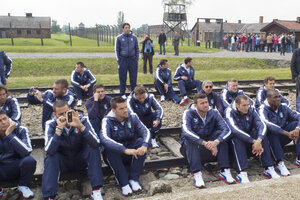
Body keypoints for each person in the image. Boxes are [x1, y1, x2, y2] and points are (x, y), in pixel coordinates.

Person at [42, 100, 103, 200]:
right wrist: (59, 130)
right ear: (55, 115)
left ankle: (96, 191)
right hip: (63, 162)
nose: (64, 116)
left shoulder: (82, 120)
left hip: (80, 160)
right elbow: (49, 150)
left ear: (70, 110)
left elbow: (96, 143)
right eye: (60, 114)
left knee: (93, 150)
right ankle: (49, 196)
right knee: (50, 158)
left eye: (66, 112)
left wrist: (81, 126)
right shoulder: (51, 124)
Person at [180, 93, 234, 188]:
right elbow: (186, 131)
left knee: (221, 136)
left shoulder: (214, 112)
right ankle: (197, 173)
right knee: (189, 139)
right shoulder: (188, 113)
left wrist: (216, 142)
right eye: (202, 103)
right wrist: (204, 143)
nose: (205, 105)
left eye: (206, 102)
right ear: (196, 105)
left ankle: (225, 170)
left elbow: (227, 129)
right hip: (192, 148)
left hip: (210, 146)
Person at [100, 97, 150, 196]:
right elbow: (104, 139)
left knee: (140, 142)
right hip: (117, 153)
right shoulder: (107, 120)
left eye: (126, 107)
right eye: (121, 109)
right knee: (109, 149)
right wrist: (124, 150)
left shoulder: (133, 116)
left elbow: (145, 131)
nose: (125, 110)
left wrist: (145, 145)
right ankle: (124, 184)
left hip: (131, 151)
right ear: (114, 110)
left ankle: (134, 179)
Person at [225, 95, 280, 183]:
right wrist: (254, 141)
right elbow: (235, 130)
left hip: (251, 140)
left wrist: (259, 139)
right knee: (236, 138)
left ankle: (268, 167)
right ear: (237, 105)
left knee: (262, 135)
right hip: (235, 143)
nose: (247, 107)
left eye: (248, 105)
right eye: (244, 105)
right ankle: (242, 172)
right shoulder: (229, 111)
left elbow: (261, 125)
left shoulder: (251, 109)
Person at [259, 90, 300, 176]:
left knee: (297, 125)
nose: (278, 99)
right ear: (268, 99)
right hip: (269, 141)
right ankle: (279, 162)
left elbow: (298, 116)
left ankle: (299, 157)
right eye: (275, 97)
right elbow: (267, 124)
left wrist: (297, 128)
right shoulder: (262, 109)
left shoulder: (283, 107)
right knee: (271, 131)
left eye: (279, 97)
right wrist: (286, 133)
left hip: (282, 137)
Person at [0, 109, 36, 199]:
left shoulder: (21, 130)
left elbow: (26, 151)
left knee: (30, 160)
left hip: (17, 166)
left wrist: (9, 135)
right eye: (0, 121)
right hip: (2, 168)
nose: (3, 122)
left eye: (5, 119)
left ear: (9, 118)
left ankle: (23, 186)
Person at [115, 23, 139, 99]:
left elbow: (137, 48)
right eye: (126, 27)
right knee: (122, 78)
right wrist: (119, 60)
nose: (127, 29)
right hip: (123, 60)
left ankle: (133, 93)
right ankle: (122, 93)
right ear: (123, 29)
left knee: (133, 78)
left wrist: (136, 58)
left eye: (128, 27)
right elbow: (117, 50)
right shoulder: (119, 38)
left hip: (132, 60)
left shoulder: (134, 38)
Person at [290, 48, 300, 112]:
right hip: (299, 75)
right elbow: (292, 64)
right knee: (299, 93)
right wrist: (295, 75)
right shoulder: (297, 52)